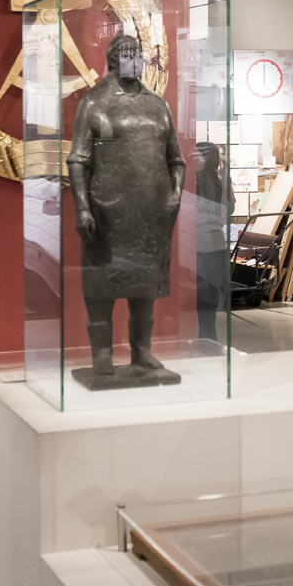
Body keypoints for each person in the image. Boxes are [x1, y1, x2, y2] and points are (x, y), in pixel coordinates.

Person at [68, 33, 186, 383]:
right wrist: (83, 208)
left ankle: (141, 351)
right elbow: (78, 160)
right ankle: (101, 354)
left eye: (138, 56)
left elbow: (176, 160)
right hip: (108, 213)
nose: (134, 62)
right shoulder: (95, 102)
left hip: (151, 215)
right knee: (102, 286)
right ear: (113, 59)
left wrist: (175, 194)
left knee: (144, 287)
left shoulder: (158, 105)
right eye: (127, 55)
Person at [194, 141, 234, 342]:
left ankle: (203, 343)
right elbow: (229, 212)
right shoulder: (221, 181)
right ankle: (208, 343)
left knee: (199, 302)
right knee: (208, 305)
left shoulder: (191, 182)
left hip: (195, 248)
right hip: (216, 246)